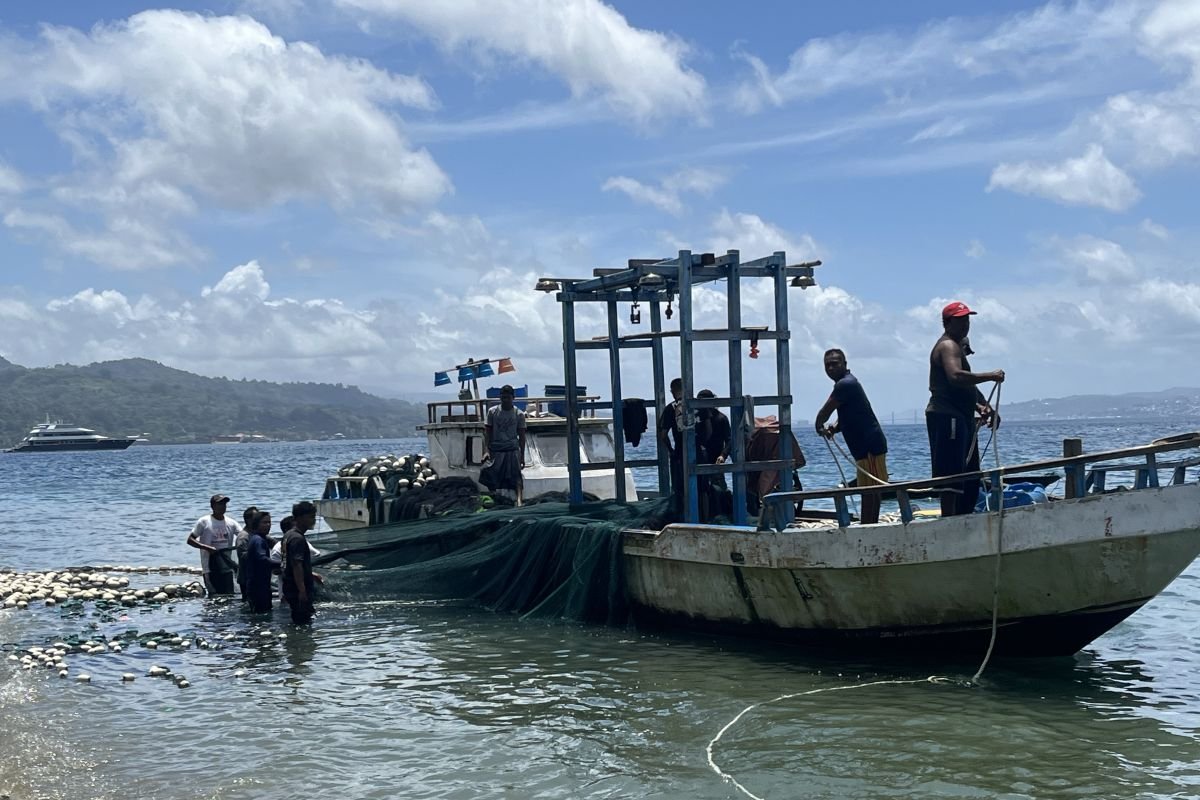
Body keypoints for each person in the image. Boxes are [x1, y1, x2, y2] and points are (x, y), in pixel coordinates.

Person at [927, 301, 1005, 517]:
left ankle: (964, 519)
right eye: (960, 320)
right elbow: (955, 376)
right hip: (947, 416)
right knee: (951, 479)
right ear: (947, 322)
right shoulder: (948, 346)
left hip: (961, 417)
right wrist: (990, 376)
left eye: (967, 320)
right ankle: (949, 523)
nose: (965, 324)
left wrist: (983, 406)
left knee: (970, 476)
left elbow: (966, 387)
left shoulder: (957, 345)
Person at [815, 349, 889, 524]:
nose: (831, 368)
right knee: (867, 489)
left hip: (870, 446)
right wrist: (835, 427)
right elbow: (851, 414)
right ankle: (868, 523)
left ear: (845, 365)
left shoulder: (845, 384)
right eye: (827, 365)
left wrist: (819, 425)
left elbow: (826, 410)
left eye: (835, 363)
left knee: (872, 489)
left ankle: (870, 524)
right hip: (862, 449)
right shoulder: (846, 384)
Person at [186, 494, 243, 596]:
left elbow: (243, 536)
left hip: (227, 566)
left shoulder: (231, 523)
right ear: (212, 506)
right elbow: (190, 540)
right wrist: (206, 547)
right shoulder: (204, 522)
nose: (222, 506)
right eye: (219, 504)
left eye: (224, 504)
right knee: (214, 595)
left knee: (229, 594)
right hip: (209, 567)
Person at [482, 384, 527, 504]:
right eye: (503, 397)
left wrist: (522, 456)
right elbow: (487, 433)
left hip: (512, 449)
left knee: (516, 476)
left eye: (508, 397)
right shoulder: (492, 412)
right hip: (496, 448)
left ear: (513, 398)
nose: (505, 400)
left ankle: (519, 501)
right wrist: (486, 450)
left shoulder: (519, 414)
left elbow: (522, 436)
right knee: (490, 473)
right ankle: (494, 496)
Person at [696, 389, 732, 520]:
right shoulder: (696, 419)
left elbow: (729, 440)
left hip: (716, 459)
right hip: (698, 460)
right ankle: (704, 516)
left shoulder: (721, 418)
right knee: (700, 491)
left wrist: (723, 455)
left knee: (720, 490)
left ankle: (723, 515)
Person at [280, 501, 317, 625]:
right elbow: (297, 565)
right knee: (303, 623)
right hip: (297, 589)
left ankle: (297, 642)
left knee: (299, 620)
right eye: (311, 517)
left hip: (289, 585)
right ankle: (300, 643)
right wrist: (302, 590)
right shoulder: (297, 538)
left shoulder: (288, 535)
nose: (314, 520)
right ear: (300, 518)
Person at [657, 378, 685, 516]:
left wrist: (671, 451)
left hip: (679, 453)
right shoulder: (697, 406)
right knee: (703, 487)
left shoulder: (671, 408)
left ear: (673, 391)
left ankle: (681, 514)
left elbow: (662, 434)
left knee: (679, 489)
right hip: (701, 454)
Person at [243, 510, 274, 613]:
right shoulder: (258, 540)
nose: (268, 525)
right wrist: (282, 564)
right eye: (264, 522)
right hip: (258, 588)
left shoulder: (260, 538)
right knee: (261, 615)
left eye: (269, 522)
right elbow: (262, 559)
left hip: (259, 586)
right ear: (256, 524)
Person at [235, 505, 258, 601]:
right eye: (256, 518)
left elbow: (272, 542)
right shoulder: (243, 536)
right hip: (246, 578)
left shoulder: (257, 533)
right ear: (248, 520)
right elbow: (243, 556)